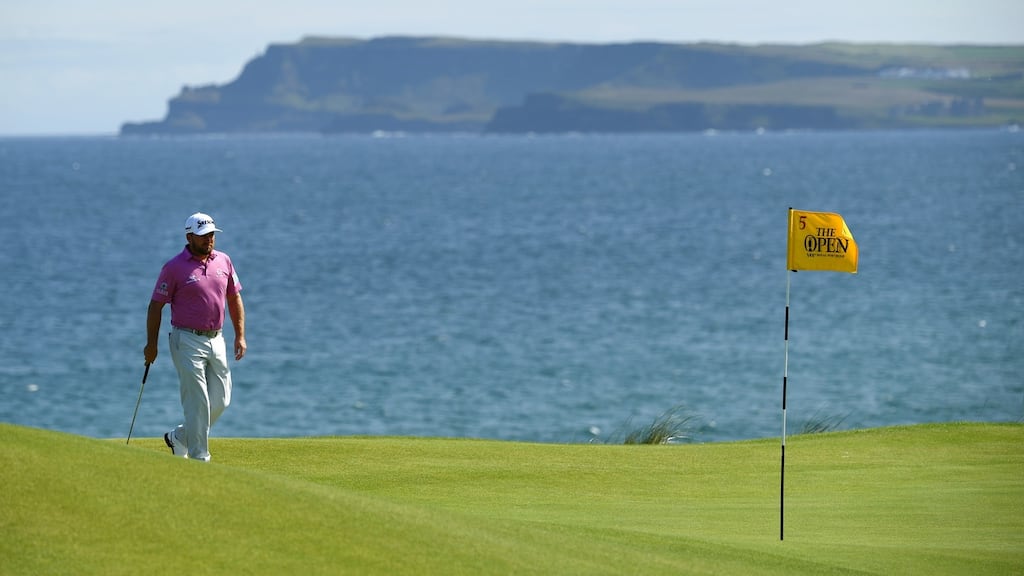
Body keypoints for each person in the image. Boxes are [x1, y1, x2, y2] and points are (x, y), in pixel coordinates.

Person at [144, 212, 246, 462]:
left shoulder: (224, 261)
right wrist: (152, 344)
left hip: (217, 338)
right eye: (203, 236)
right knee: (197, 401)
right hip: (186, 340)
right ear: (189, 237)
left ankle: (180, 436)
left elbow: (234, 297)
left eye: (211, 234)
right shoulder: (174, 268)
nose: (209, 240)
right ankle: (201, 458)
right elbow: (155, 306)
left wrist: (240, 335)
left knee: (221, 399)